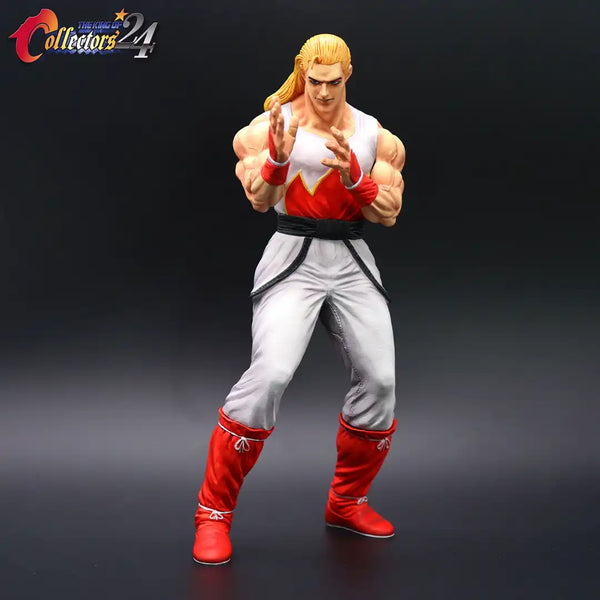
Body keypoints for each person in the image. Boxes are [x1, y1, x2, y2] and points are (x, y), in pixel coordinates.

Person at [193, 33, 405, 565]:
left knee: (381, 381)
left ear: (348, 75)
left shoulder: (374, 136)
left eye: (333, 82)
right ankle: (213, 513)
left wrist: (356, 178)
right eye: (315, 81)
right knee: (270, 375)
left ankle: (347, 502)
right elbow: (258, 200)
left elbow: (387, 213)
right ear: (301, 74)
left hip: (351, 257)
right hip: (293, 256)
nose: (324, 92)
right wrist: (277, 161)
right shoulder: (269, 126)